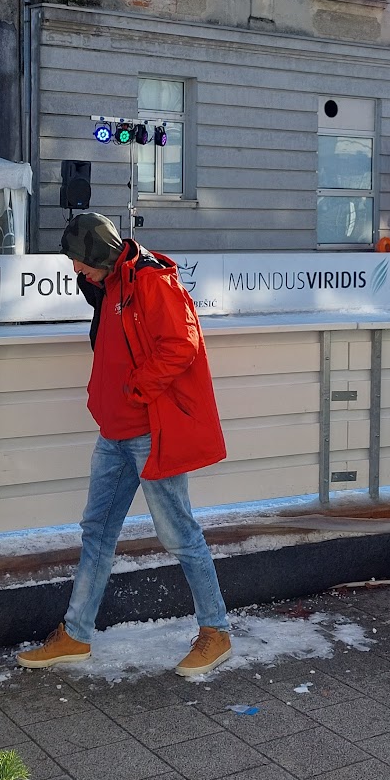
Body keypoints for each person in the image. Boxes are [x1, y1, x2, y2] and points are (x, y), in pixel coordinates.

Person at [17, 213, 232, 678]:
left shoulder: (151, 281)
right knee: (96, 532)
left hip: (149, 432)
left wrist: (136, 389)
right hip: (114, 433)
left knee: (180, 534)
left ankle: (216, 631)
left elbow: (182, 343)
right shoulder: (111, 283)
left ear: (100, 255)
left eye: (79, 261)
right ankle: (76, 634)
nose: (75, 270)